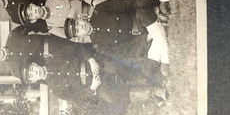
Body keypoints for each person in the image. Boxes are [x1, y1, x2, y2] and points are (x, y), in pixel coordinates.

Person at [19, 34, 167, 106]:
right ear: (34, 81)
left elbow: (78, 47)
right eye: (31, 76)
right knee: (111, 96)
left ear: (34, 64)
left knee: (114, 66)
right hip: (94, 84)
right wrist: (92, 88)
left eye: (31, 69)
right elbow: (77, 98)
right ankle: (154, 92)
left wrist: (91, 60)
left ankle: (146, 75)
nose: (34, 73)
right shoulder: (55, 89)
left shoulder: (53, 56)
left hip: (94, 63)